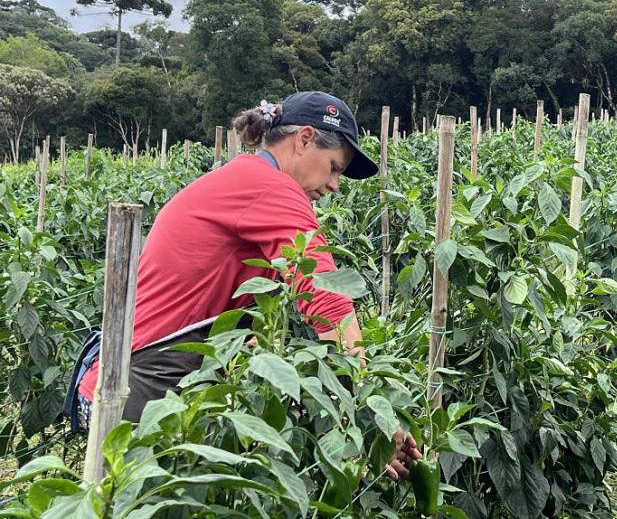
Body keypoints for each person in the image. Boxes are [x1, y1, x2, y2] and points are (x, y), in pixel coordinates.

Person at [71, 91, 420, 480]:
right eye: (334, 167)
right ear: (304, 140)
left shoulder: (244, 178)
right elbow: (328, 303)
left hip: (132, 386)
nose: (335, 185)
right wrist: (372, 419)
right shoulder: (271, 187)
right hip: (143, 396)